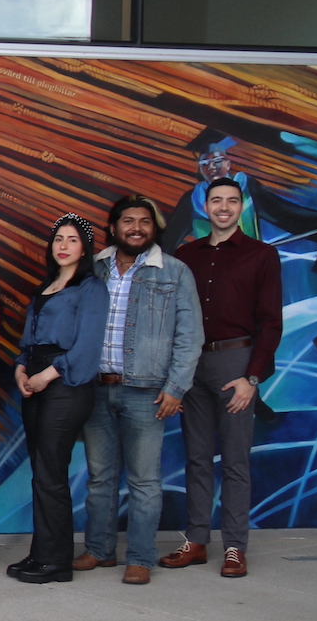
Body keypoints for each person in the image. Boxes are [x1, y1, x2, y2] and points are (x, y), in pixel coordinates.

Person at [77, 195, 202, 585]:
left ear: (154, 228)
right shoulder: (93, 268)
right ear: (113, 228)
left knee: (144, 481)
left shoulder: (175, 272)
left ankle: (141, 557)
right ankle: (99, 550)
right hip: (96, 389)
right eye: (127, 221)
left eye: (144, 221)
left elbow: (190, 336)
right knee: (99, 478)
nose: (136, 228)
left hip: (146, 393)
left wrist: (176, 388)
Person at [165, 178, 281, 578]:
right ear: (205, 206)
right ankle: (196, 541)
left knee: (234, 460)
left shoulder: (261, 255)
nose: (225, 207)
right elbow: (173, 319)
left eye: (233, 200)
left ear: (242, 205)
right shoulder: (185, 256)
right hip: (192, 365)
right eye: (217, 200)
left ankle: (234, 546)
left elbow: (270, 322)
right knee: (196, 458)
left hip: (237, 363)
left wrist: (253, 377)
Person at [10, 214, 108, 584]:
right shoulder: (46, 287)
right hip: (35, 380)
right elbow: (27, 342)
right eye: (58, 240)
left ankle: (56, 562)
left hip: (65, 385)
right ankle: (41, 553)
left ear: (84, 248)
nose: (63, 246)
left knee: (51, 473)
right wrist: (21, 371)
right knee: (42, 472)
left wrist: (47, 375)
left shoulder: (91, 288)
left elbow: (86, 347)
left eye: (71, 239)